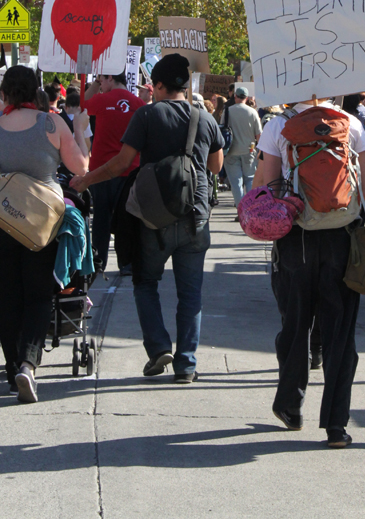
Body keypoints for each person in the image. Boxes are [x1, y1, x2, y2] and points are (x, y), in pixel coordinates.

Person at [71, 53, 224, 382]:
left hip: (153, 216)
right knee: (191, 294)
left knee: (145, 283)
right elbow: (216, 167)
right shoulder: (205, 119)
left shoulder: (147, 115)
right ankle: (186, 365)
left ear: (157, 84)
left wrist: (85, 179)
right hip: (195, 216)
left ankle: (157, 347)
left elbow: (121, 164)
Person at [0, 65, 88, 402]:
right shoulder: (52, 124)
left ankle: (14, 370)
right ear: (35, 92)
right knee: (39, 295)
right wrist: (82, 130)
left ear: (6, 92)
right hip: (43, 223)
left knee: (10, 294)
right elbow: (81, 168)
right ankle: (29, 363)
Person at [258, 95, 365, 448]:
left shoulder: (278, 125)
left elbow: (265, 186)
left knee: (295, 325)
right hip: (342, 238)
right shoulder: (350, 124)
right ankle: (336, 425)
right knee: (341, 333)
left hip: (296, 238)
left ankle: (291, 406)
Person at [83, 72, 145, 270]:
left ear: (110, 78)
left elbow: (82, 106)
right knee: (126, 218)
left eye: (102, 81)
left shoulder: (101, 100)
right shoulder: (139, 105)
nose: (100, 85)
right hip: (130, 168)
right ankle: (126, 262)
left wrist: (94, 83)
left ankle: (99, 261)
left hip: (101, 169)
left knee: (101, 218)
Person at [224, 86, 262, 212]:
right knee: (250, 179)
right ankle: (250, 209)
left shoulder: (227, 111)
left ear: (235, 96)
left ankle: (241, 211)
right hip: (249, 150)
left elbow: (221, 130)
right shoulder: (252, 112)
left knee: (236, 183)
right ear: (246, 98)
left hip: (231, 151)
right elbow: (259, 136)